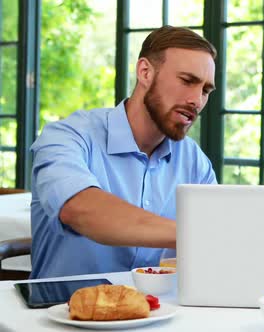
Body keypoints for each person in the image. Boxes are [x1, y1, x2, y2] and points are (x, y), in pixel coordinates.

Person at [29, 25, 217, 278]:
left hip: (160, 313)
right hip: (60, 310)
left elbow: (214, 249)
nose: (197, 100)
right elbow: (80, 209)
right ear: (145, 72)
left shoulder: (195, 162)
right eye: (187, 81)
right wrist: (198, 234)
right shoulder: (68, 136)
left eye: (205, 90)